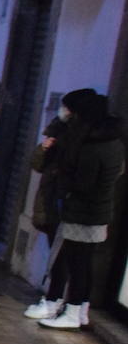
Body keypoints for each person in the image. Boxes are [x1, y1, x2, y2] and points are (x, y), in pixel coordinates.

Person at [27, 90, 125, 330]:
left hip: (82, 212)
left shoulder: (93, 146)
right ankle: (79, 311)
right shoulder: (112, 141)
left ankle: (71, 312)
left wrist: (66, 187)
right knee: (84, 261)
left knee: (76, 262)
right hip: (96, 212)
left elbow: (83, 183)